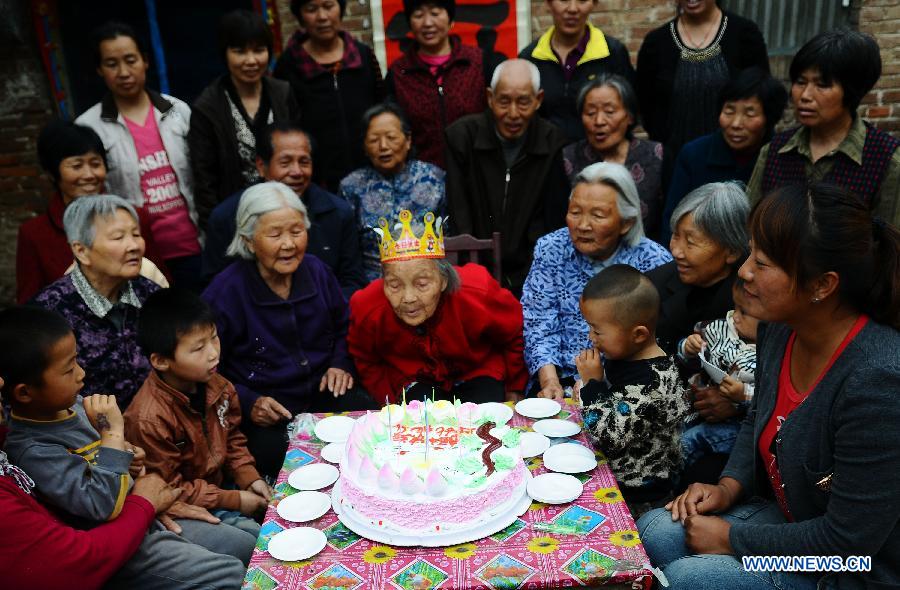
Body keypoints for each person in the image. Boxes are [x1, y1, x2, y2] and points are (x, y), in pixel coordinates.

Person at [637, 183, 900, 589]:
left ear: (822, 286)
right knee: (657, 528)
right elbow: (760, 416)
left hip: (855, 568)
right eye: (750, 253)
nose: (743, 271)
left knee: (691, 578)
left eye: (763, 262)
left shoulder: (877, 381)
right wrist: (727, 487)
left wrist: (731, 539)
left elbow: (850, 544)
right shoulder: (781, 329)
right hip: (797, 517)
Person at [0, 307, 252, 587]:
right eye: (69, 369)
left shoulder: (73, 406)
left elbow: (112, 465)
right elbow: (101, 504)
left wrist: (128, 456)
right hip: (119, 542)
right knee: (229, 573)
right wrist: (113, 435)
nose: (81, 374)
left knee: (245, 544)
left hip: (146, 513)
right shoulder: (32, 449)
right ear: (24, 392)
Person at [203, 182, 375, 479]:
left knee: (370, 432)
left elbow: (345, 324)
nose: (289, 244)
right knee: (299, 469)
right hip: (268, 413)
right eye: (275, 234)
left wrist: (340, 363)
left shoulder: (317, 271)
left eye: (296, 231)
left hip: (324, 394)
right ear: (248, 239)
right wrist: (247, 400)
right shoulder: (225, 292)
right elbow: (207, 367)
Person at [125, 288, 272, 551]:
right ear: (160, 361)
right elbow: (168, 488)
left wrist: (249, 477)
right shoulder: (149, 419)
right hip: (186, 506)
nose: (214, 353)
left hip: (220, 484)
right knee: (255, 541)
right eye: (198, 348)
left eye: (214, 338)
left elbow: (233, 437)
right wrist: (235, 499)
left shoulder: (218, 385)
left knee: (275, 515)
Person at [522, 162, 671, 401]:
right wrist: (549, 381)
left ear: (626, 222)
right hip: (559, 379)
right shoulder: (551, 248)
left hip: (626, 386)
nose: (582, 225)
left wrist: (597, 383)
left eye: (598, 215)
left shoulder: (654, 261)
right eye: (575, 212)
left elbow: (653, 339)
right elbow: (539, 321)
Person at [348, 209, 527, 404]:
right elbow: (365, 358)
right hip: (413, 379)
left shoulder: (478, 291)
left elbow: (515, 333)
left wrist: (515, 386)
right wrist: (388, 402)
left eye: (422, 284)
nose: (408, 298)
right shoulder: (367, 306)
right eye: (394, 285)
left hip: (477, 371)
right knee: (419, 423)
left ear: (443, 280)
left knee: (484, 420)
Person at [76, 22, 201, 290]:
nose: (123, 72)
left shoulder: (178, 112)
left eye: (130, 60)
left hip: (192, 246)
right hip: (135, 255)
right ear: (100, 70)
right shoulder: (89, 127)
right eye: (111, 64)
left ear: (145, 61)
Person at [747, 29, 900, 227]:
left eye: (822, 85)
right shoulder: (775, 151)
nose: (805, 95)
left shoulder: (885, 159)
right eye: (800, 82)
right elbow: (749, 226)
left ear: (852, 91)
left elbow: (890, 246)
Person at [445, 59, 570, 295]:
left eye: (523, 102)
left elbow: (550, 220)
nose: (513, 113)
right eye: (504, 101)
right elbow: (460, 214)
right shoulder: (462, 137)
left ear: (538, 100)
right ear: (490, 98)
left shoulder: (553, 141)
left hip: (533, 272)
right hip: (474, 272)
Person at [202, 122, 366, 295]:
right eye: (285, 162)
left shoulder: (337, 212)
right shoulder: (228, 216)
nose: (296, 172)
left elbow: (352, 281)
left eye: (304, 162)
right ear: (261, 166)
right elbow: (215, 289)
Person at [576, 265, 689, 515]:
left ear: (638, 334)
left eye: (597, 330)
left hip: (639, 494)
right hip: (616, 473)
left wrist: (592, 384)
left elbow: (608, 435)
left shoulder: (651, 384)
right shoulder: (628, 353)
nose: (591, 337)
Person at [16, 120, 168, 303]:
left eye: (95, 164)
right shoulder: (34, 234)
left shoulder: (133, 219)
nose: (89, 175)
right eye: (76, 166)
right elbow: (29, 302)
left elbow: (161, 284)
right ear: (52, 173)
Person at [31, 195, 161, 408]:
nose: (134, 246)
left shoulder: (150, 294)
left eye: (136, 234)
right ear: (81, 251)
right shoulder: (49, 312)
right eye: (118, 238)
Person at [190, 9, 300, 228]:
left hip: (287, 212)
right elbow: (205, 181)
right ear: (225, 54)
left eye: (259, 50)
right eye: (239, 51)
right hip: (236, 221)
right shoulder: (208, 107)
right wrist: (216, 229)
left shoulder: (283, 93)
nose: (251, 61)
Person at [637, 0, 769, 171]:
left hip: (736, 159)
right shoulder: (656, 43)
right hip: (676, 162)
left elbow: (763, 95)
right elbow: (645, 103)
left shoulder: (744, 35)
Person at [663, 67, 787, 244]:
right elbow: (672, 220)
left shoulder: (780, 157)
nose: (736, 123)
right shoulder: (693, 155)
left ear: (770, 119)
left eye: (749, 114)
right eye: (729, 111)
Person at [273, 0, 385, 190]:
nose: (322, 17)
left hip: (371, 177)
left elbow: (381, 109)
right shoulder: (289, 66)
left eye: (328, 6)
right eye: (311, 9)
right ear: (300, 15)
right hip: (316, 182)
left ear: (340, 9)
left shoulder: (363, 56)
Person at [339, 103, 446, 282]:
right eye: (374, 140)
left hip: (426, 279)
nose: (383, 146)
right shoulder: (351, 186)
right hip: (373, 283)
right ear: (364, 146)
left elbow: (447, 236)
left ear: (408, 140)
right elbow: (349, 251)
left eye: (391, 137)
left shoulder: (434, 178)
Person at [386, 0, 499, 169]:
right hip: (422, 182)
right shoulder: (399, 73)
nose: (427, 23)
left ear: (450, 19)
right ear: (409, 23)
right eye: (418, 15)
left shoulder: (479, 62)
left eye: (435, 13)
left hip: (476, 173)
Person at [647, 182, 749, 358]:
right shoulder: (653, 286)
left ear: (732, 251)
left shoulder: (752, 302)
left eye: (691, 242)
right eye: (676, 235)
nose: (676, 251)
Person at [562, 75, 664, 239]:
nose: (599, 121)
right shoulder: (567, 158)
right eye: (590, 112)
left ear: (629, 116)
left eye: (610, 112)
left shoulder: (657, 155)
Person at [520, 0, 635, 142]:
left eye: (582, 0)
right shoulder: (530, 57)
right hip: (546, 158)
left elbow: (631, 111)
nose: (573, 9)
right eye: (564, 0)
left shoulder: (612, 53)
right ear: (549, 3)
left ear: (594, 3)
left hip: (599, 157)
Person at [680, 279, 760, 470]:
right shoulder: (723, 328)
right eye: (736, 308)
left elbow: (769, 395)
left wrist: (743, 395)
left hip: (739, 425)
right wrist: (688, 347)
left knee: (690, 441)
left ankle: (670, 487)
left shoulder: (768, 353)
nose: (736, 317)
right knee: (674, 432)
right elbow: (690, 356)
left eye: (745, 313)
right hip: (696, 404)